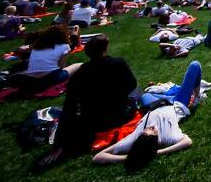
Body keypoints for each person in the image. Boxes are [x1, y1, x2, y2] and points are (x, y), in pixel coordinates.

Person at [38, 35, 138, 167]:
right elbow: (132, 86)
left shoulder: (79, 74)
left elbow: (69, 108)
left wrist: (59, 144)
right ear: (105, 48)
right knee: (137, 95)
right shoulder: (118, 63)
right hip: (119, 116)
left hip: (93, 122)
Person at [93, 61, 203, 170]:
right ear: (157, 142)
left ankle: (166, 92)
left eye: (144, 133)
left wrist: (129, 157)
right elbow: (187, 141)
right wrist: (158, 153)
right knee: (195, 65)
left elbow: (98, 157)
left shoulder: (132, 140)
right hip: (177, 103)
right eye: (152, 131)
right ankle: (197, 97)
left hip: (153, 105)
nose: (150, 127)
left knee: (147, 93)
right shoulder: (169, 137)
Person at [13, 25, 82, 93]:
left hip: (31, 78)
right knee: (79, 65)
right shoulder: (65, 46)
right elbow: (61, 67)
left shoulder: (37, 46)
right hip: (49, 78)